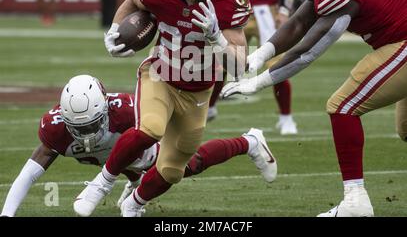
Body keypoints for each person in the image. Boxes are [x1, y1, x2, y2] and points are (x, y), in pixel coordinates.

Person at [73, 0, 275, 217]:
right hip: (160, 75)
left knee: (171, 170)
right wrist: (115, 31)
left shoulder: (231, 0)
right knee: (150, 129)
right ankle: (100, 184)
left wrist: (217, 38)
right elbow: (133, 1)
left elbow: (239, 67)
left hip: (199, 89)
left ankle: (133, 204)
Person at [221, 0, 407, 217]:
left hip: (403, 44)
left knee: (342, 106)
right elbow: (297, 23)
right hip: (398, 41)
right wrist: (256, 58)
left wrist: (257, 82)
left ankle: (355, 201)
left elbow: (307, 51)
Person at [0, 75, 277, 217]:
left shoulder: (126, 112)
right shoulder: (56, 128)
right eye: (79, 128)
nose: (87, 133)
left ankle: (249, 142)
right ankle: (134, 183)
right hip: (119, 156)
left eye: (91, 124)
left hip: (154, 135)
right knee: (112, 153)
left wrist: (139, 176)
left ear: (105, 110)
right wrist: (7, 213)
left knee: (183, 167)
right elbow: (30, 173)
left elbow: (145, 139)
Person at [207, 0, 298, 135]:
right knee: (225, 60)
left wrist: (284, 11)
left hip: (269, 10)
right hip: (237, 9)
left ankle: (286, 118)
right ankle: (210, 106)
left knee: (278, 67)